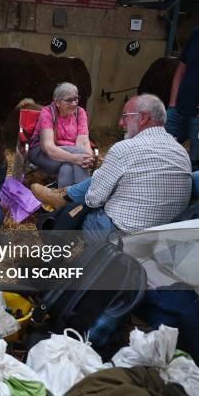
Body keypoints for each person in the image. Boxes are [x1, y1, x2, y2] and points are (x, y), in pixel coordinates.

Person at [31, 94, 192, 242]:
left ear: (143, 118)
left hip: (122, 237)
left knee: (77, 208)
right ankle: (64, 196)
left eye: (125, 117)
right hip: (163, 240)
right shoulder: (182, 152)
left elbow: (94, 199)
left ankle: (63, 202)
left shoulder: (124, 149)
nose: (120, 123)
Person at [28, 82, 94, 187]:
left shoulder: (80, 113)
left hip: (71, 154)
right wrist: (75, 158)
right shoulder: (48, 113)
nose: (74, 104)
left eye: (76, 99)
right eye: (69, 100)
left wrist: (87, 158)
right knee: (77, 156)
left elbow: (83, 142)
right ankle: (85, 195)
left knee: (67, 167)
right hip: (44, 154)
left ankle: (64, 201)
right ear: (57, 102)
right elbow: (48, 148)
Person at [167, 25, 199, 172]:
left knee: (195, 161)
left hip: (197, 117)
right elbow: (181, 70)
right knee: (163, 152)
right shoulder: (196, 33)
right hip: (178, 109)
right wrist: (173, 104)